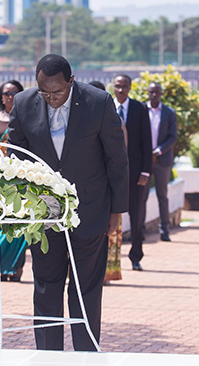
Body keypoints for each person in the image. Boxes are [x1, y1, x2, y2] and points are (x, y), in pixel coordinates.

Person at [8, 55, 128, 351]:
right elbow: (16, 155)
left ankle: (86, 355)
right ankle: (49, 356)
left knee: (85, 289)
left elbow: (117, 158)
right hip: (43, 214)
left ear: (71, 82)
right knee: (46, 286)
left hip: (90, 210)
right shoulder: (23, 103)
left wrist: (117, 210)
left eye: (57, 92)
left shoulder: (98, 102)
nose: (50, 98)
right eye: (44, 92)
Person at [0, 80, 27, 282]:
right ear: (1, 96)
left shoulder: (27, 117)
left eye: (14, 93)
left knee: (18, 222)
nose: (10, 96)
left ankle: (15, 266)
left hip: (20, 177)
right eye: (6, 93)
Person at [112, 74, 152, 271]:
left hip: (135, 173)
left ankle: (136, 256)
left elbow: (147, 141)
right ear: (113, 87)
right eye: (118, 86)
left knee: (136, 216)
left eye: (125, 87)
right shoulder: (105, 107)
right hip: (111, 174)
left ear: (130, 88)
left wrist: (146, 171)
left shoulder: (139, 109)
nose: (121, 90)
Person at [89, 79, 125, 284]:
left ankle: (105, 273)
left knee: (107, 231)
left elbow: (120, 157)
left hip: (106, 187)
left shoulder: (115, 121)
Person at [141, 82, 177, 241]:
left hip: (163, 160)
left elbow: (173, 136)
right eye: (151, 92)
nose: (154, 95)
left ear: (161, 93)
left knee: (162, 195)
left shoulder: (169, 113)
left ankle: (165, 229)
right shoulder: (141, 111)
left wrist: (159, 151)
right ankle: (139, 229)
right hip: (145, 160)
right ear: (147, 93)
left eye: (156, 92)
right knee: (142, 196)